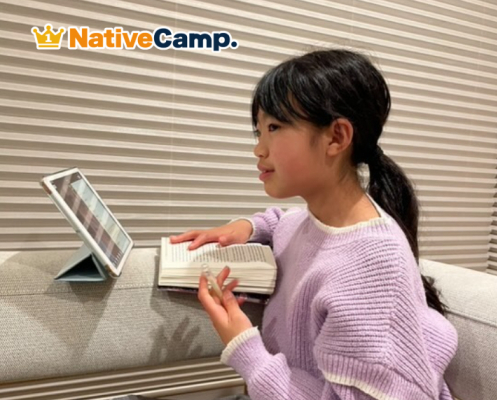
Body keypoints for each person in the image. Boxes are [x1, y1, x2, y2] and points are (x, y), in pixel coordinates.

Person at [169, 48, 458, 400]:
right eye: (258, 132)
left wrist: (246, 349)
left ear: (336, 137)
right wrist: (248, 226)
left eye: (274, 127)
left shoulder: (373, 264)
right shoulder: (319, 218)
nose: (259, 149)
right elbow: (285, 222)